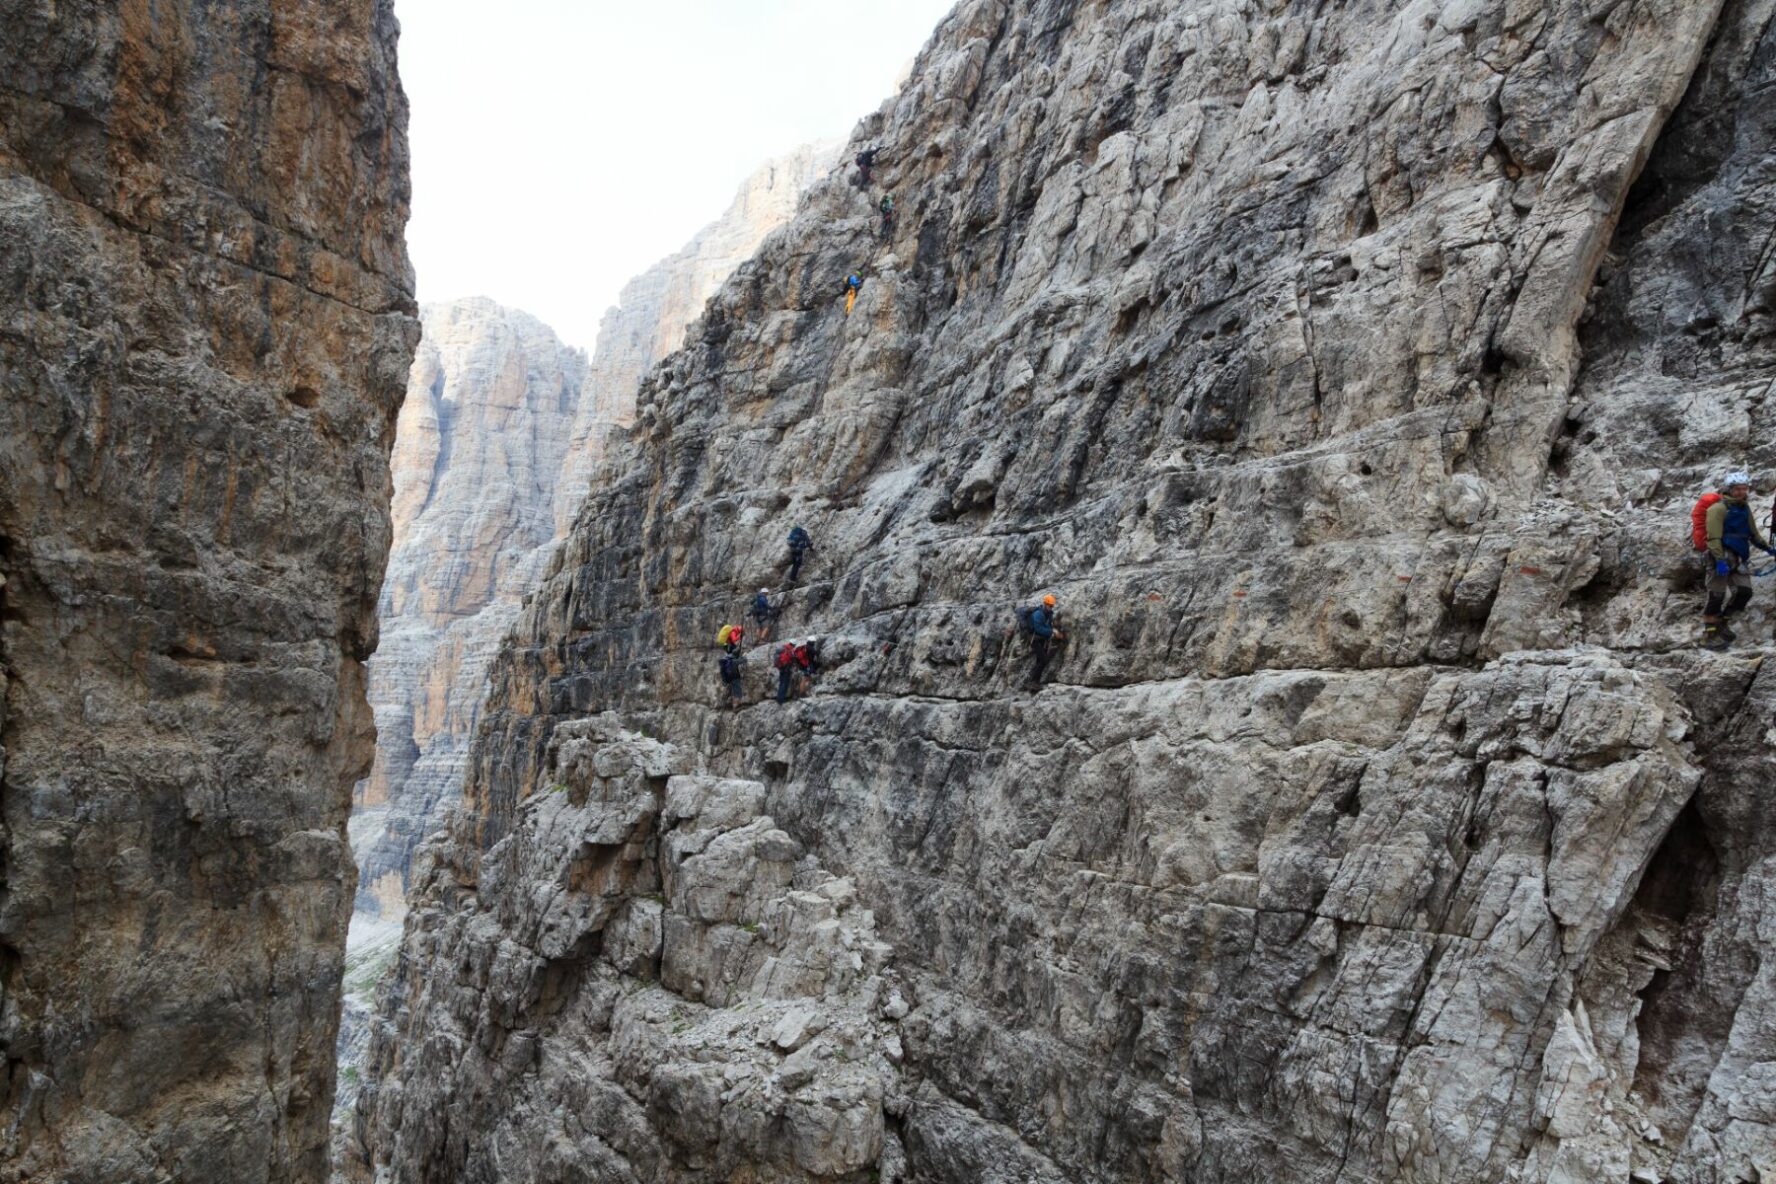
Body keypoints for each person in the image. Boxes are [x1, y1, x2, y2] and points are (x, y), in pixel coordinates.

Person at [1701, 471, 1776, 649]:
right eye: (1738, 489)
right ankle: (1709, 635)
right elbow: (1713, 537)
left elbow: (1753, 533)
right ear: (1729, 489)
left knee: (1744, 592)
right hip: (1719, 557)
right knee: (1716, 595)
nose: (1742, 492)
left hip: (1739, 557)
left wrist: (1767, 548)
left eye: (1744, 488)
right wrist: (1719, 559)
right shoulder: (1717, 509)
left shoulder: (1744, 508)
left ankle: (1723, 622)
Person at [1028, 594, 1065, 683]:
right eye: (1050, 605)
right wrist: (1052, 631)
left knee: (1039, 661)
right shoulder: (1038, 614)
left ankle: (1034, 681)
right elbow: (1038, 628)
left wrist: (1053, 631)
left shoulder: (1048, 614)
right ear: (1045, 604)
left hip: (1041, 640)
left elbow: (1047, 626)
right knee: (1043, 660)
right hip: (1034, 640)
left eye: (1052, 606)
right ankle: (1033, 682)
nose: (1051, 607)